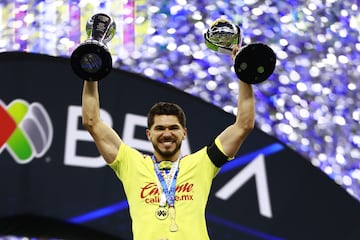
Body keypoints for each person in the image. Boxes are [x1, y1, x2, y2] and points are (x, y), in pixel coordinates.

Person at [81, 46, 255, 240]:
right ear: (148, 134)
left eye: (173, 128)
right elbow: (92, 122)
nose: (167, 133)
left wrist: (243, 75)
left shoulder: (202, 163)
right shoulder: (130, 163)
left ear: (184, 133)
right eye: (159, 128)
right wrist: (91, 73)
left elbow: (243, 126)